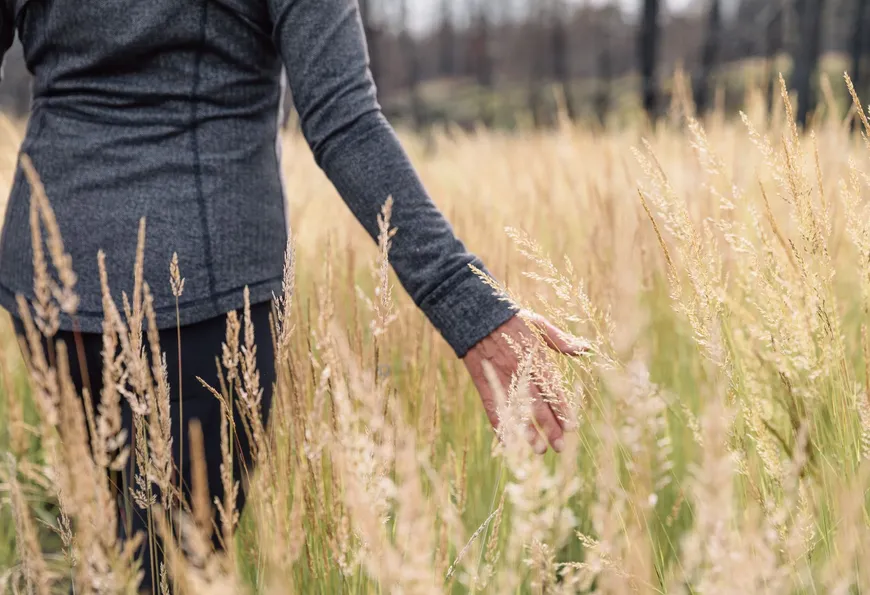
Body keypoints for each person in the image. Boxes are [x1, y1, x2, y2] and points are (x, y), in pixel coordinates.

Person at [0, 0, 579, 591]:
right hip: (202, 291)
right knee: (169, 569)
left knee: (112, 554)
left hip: (49, 267)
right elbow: (344, 120)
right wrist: (471, 306)